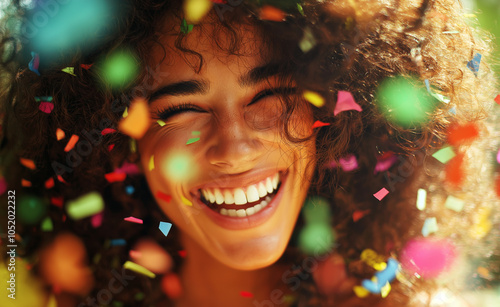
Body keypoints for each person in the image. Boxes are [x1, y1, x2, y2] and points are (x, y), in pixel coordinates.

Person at [0, 0, 499, 306]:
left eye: (270, 96)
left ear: (346, 116)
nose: (233, 149)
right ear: (113, 141)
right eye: (180, 109)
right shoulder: (33, 294)